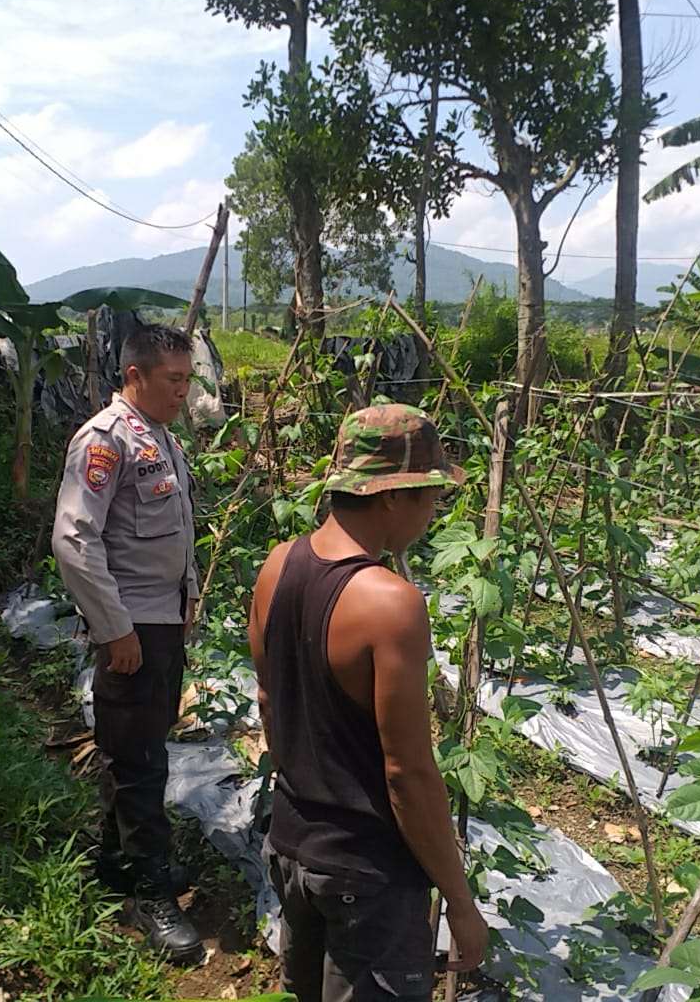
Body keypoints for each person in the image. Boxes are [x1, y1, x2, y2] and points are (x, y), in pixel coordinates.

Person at [248, 404, 491, 1002]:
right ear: (391, 496)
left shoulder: (277, 565)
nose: (434, 512)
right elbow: (406, 773)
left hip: (292, 845)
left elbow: (269, 703)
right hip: (366, 872)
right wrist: (460, 903)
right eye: (430, 494)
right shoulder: (390, 603)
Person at [51, 323, 203, 963]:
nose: (185, 393)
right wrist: (116, 629)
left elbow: (176, 528)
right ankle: (150, 893)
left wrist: (187, 596)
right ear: (135, 375)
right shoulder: (106, 441)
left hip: (161, 620)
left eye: (187, 379)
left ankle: (113, 858)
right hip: (133, 626)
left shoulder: (159, 436)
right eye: (175, 381)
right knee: (142, 765)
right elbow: (74, 540)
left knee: (135, 749)